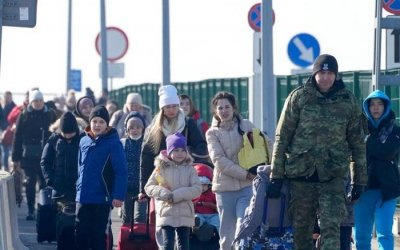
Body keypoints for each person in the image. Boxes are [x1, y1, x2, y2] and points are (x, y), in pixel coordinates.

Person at [268, 54, 367, 250]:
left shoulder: (348, 101)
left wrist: (359, 180)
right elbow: (282, 138)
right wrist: (276, 176)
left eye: (330, 73)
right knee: (302, 234)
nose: (326, 77)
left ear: (336, 75)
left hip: (333, 177)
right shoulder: (299, 97)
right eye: (322, 72)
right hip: (301, 177)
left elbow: (358, 143)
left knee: (331, 230)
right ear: (314, 74)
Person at [206, 91, 272, 250]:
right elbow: (219, 161)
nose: (224, 111)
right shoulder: (212, 133)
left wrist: (270, 166)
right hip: (224, 189)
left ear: (234, 108)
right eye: (220, 108)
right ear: (215, 111)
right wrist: (245, 174)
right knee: (226, 236)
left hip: (247, 187)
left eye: (227, 107)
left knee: (243, 228)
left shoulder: (246, 125)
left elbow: (266, 144)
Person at [75, 105, 127, 250]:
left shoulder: (114, 143)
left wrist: (118, 195)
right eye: (95, 121)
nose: (97, 125)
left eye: (101, 122)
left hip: (102, 198)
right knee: (80, 233)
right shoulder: (83, 141)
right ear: (90, 123)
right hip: (83, 197)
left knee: (98, 235)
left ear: (107, 124)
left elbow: (121, 172)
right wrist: (77, 187)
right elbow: (79, 167)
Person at [354, 90, 400, 250]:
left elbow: (387, 152)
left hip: (387, 190)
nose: (376, 108)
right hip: (362, 188)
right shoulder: (357, 128)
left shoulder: (394, 130)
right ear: (366, 107)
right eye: (372, 104)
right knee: (361, 235)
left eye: (380, 104)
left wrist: (366, 140)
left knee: (384, 233)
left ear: (386, 106)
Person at [144, 132, 202, 250]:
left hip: (184, 212)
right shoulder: (161, 168)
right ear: (169, 152)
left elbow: (197, 189)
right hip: (166, 211)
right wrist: (164, 194)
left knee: (183, 245)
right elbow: (149, 187)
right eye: (176, 150)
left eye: (182, 150)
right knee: (167, 244)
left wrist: (178, 195)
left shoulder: (190, 169)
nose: (180, 153)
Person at [12, 89, 57, 220]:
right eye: (35, 101)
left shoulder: (50, 114)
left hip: (46, 155)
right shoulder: (24, 115)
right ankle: (31, 210)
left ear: (43, 101)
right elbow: (18, 136)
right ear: (31, 102)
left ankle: (43, 209)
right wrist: (16, 157)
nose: (38, 103)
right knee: (30, 183)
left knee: (45, 184)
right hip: (28, 157)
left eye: (40, 100)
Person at [41, 111, 82, 250]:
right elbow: (45, 162)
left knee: (77, 223)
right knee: (62, 222)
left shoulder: (83, 139)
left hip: (78, 188)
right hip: (60, 189)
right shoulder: (53, 141)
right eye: (65, 133)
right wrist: (50, 180)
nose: (68, 136)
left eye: (71, 133)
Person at [120, 111, 147, 224]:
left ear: (143, 128)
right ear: (127, 129)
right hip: (127, 186)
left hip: (143, 187)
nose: (135, 130)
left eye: (138, 127)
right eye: (131, 127)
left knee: (140, 218)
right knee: (127, 218)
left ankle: (140, 240)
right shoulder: (122, 143)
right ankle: (126, 240)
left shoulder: (147, 143)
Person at [192, 163, 220, 232]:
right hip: (199, 213)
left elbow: (218, 206)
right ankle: (196, 225)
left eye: (204, 185)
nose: (202, 188)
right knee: (197, 217)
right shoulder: (193, 194)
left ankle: (219, 234)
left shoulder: (213, 193)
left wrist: (211, 205)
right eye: (200, 185)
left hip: (212, 214)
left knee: (217, 221)